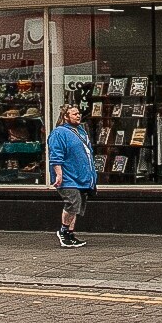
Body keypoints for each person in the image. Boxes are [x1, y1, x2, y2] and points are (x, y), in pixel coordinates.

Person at [47, 101, 95, 249]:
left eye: (78, 113)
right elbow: (56, 155)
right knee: (72, 203)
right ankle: (63, 231)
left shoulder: (81, 131)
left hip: (81, 177)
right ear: (66, 116)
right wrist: (58, 175)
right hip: (68, 177)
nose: (78, 115)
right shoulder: (59, 133)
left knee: (77, 205)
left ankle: (70, 234)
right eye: (74, 114)